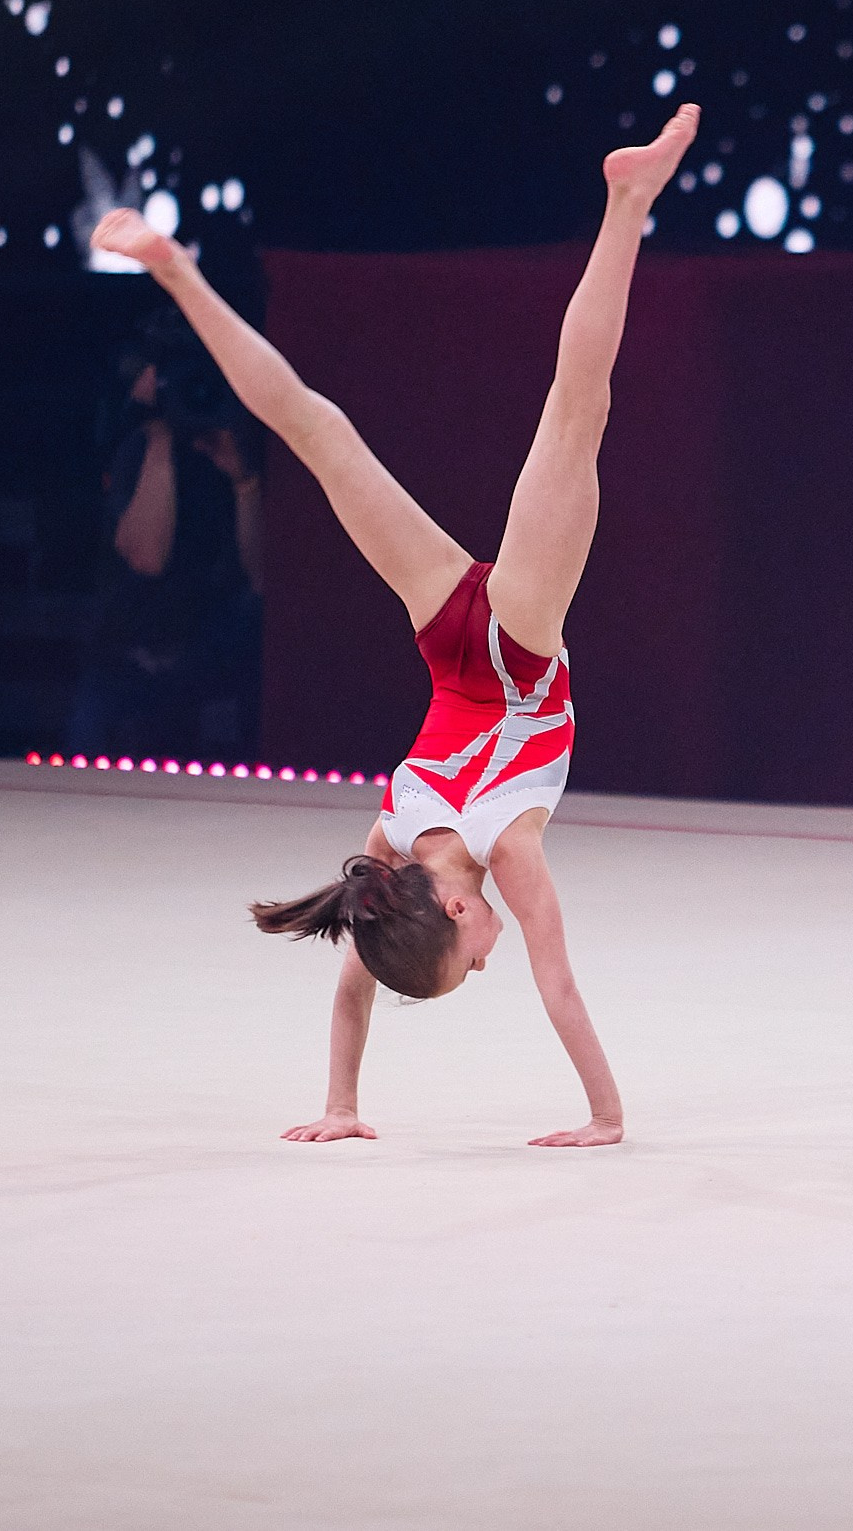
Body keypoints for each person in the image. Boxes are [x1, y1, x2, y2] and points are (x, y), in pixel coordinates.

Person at [89, 102, 701, 1149]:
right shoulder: (387, 840)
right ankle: (175, 269)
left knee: (576, 407)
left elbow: (558, 986)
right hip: (447, 633)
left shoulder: (510, 853)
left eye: (471, 965)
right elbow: (353, 983)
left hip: (518, 637)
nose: (489, 960)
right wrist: (339, 1104)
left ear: (458, 914)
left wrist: (605, 1116)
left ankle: (629, 198)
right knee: (314, 431)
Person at [66, 312, 267, 761]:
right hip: (127, 652)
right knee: (91, 732)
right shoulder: (137, 450)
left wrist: (243, 482)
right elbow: (146, 558)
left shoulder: (232, 451)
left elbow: (260, 582)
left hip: (208, 649)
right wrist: (161, 433)